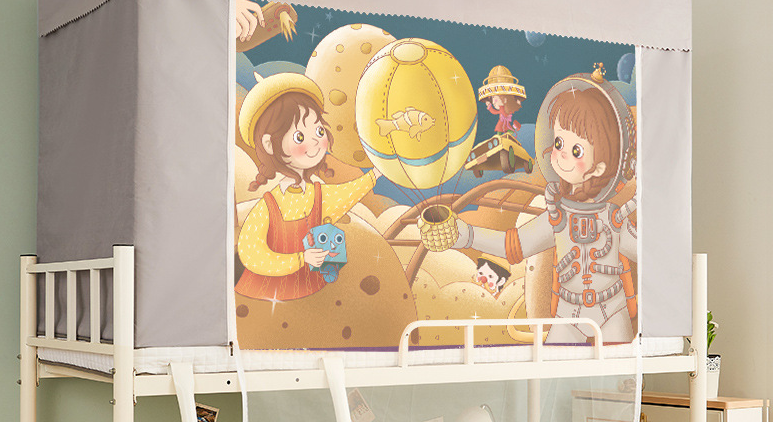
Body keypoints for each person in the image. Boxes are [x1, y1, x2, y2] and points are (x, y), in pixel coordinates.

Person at [424, 70, 638, 344]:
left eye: (576, 150)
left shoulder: (614, 221)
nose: (561, 154)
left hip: (612, 313)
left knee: (618, 368)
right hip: (567, 314)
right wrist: (464, 235)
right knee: (554, 367)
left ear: (601, 167)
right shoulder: (557, 218)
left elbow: (647, 255)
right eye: (559, 142)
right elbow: (514, 245)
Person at [235, 73, 379, 301]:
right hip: (269, 299)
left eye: (319, 131)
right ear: (269, 145)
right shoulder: (268, 206)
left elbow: (347, 194)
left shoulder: (318, 194)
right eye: (300, 137)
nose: (315, 143)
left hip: (313, 294)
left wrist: (377, 173)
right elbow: (251, 253)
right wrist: (300, 259)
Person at [478, 65, 525, 133]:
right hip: (504, 123)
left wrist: (490, 107)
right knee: (506, 130)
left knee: (503, 130)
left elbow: (496, 112)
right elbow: (497, 112)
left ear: (505, 99)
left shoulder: (504, 109)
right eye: (493, 97)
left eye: (496, 98)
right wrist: (490, 106)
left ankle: (512, 128)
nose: (493, 101)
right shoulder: (504, 109)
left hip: (503, 123)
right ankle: (512, 128)